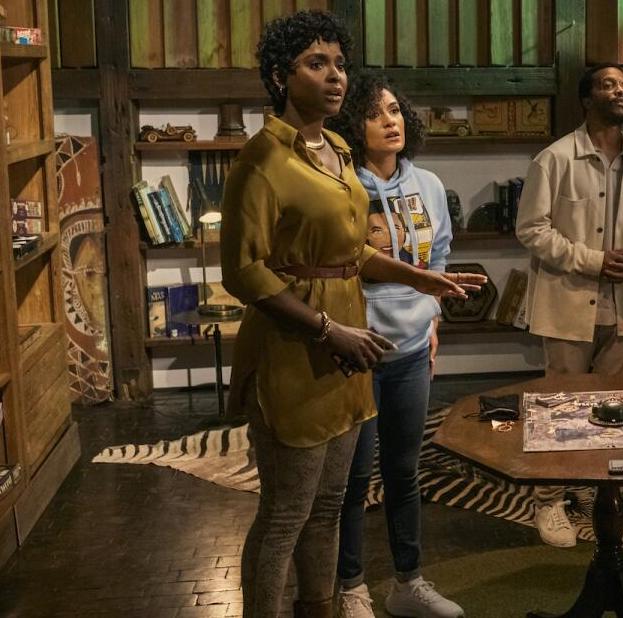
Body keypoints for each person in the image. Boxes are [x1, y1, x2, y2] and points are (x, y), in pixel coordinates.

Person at [221, 12, 481, 618]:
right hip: (295, 352)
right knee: (286, 513)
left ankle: (325, 605)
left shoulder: (335, 150)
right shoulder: (262, 159)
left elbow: (350, 253)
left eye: (339, 63)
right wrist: (327, 329)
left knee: (330, 503)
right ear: (281, 76)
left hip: (351, 354)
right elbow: (243, 271)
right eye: (317, 64)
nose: (335, 75)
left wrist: (421, 279)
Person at [324, 70, 463, 618]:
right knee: (353, 478)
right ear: (350, 126)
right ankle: (350, 586)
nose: (389, 121)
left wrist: (433, 320)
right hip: (357, 353)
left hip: (411, 352)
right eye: (374, 113)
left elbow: (439, 255)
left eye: (395, 110)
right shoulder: (341, 186)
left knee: (405, 472)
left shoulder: (428, 184)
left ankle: (408, 582)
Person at [515, 63, 623, 549]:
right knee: (559, 410)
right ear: (586, 98)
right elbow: (531, 229)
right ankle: (550, 500)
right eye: (609, 84)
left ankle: (610, 502)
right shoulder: (554, 159)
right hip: (567, 305)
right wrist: (592, 260)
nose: (621, 91)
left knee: (619, 414)